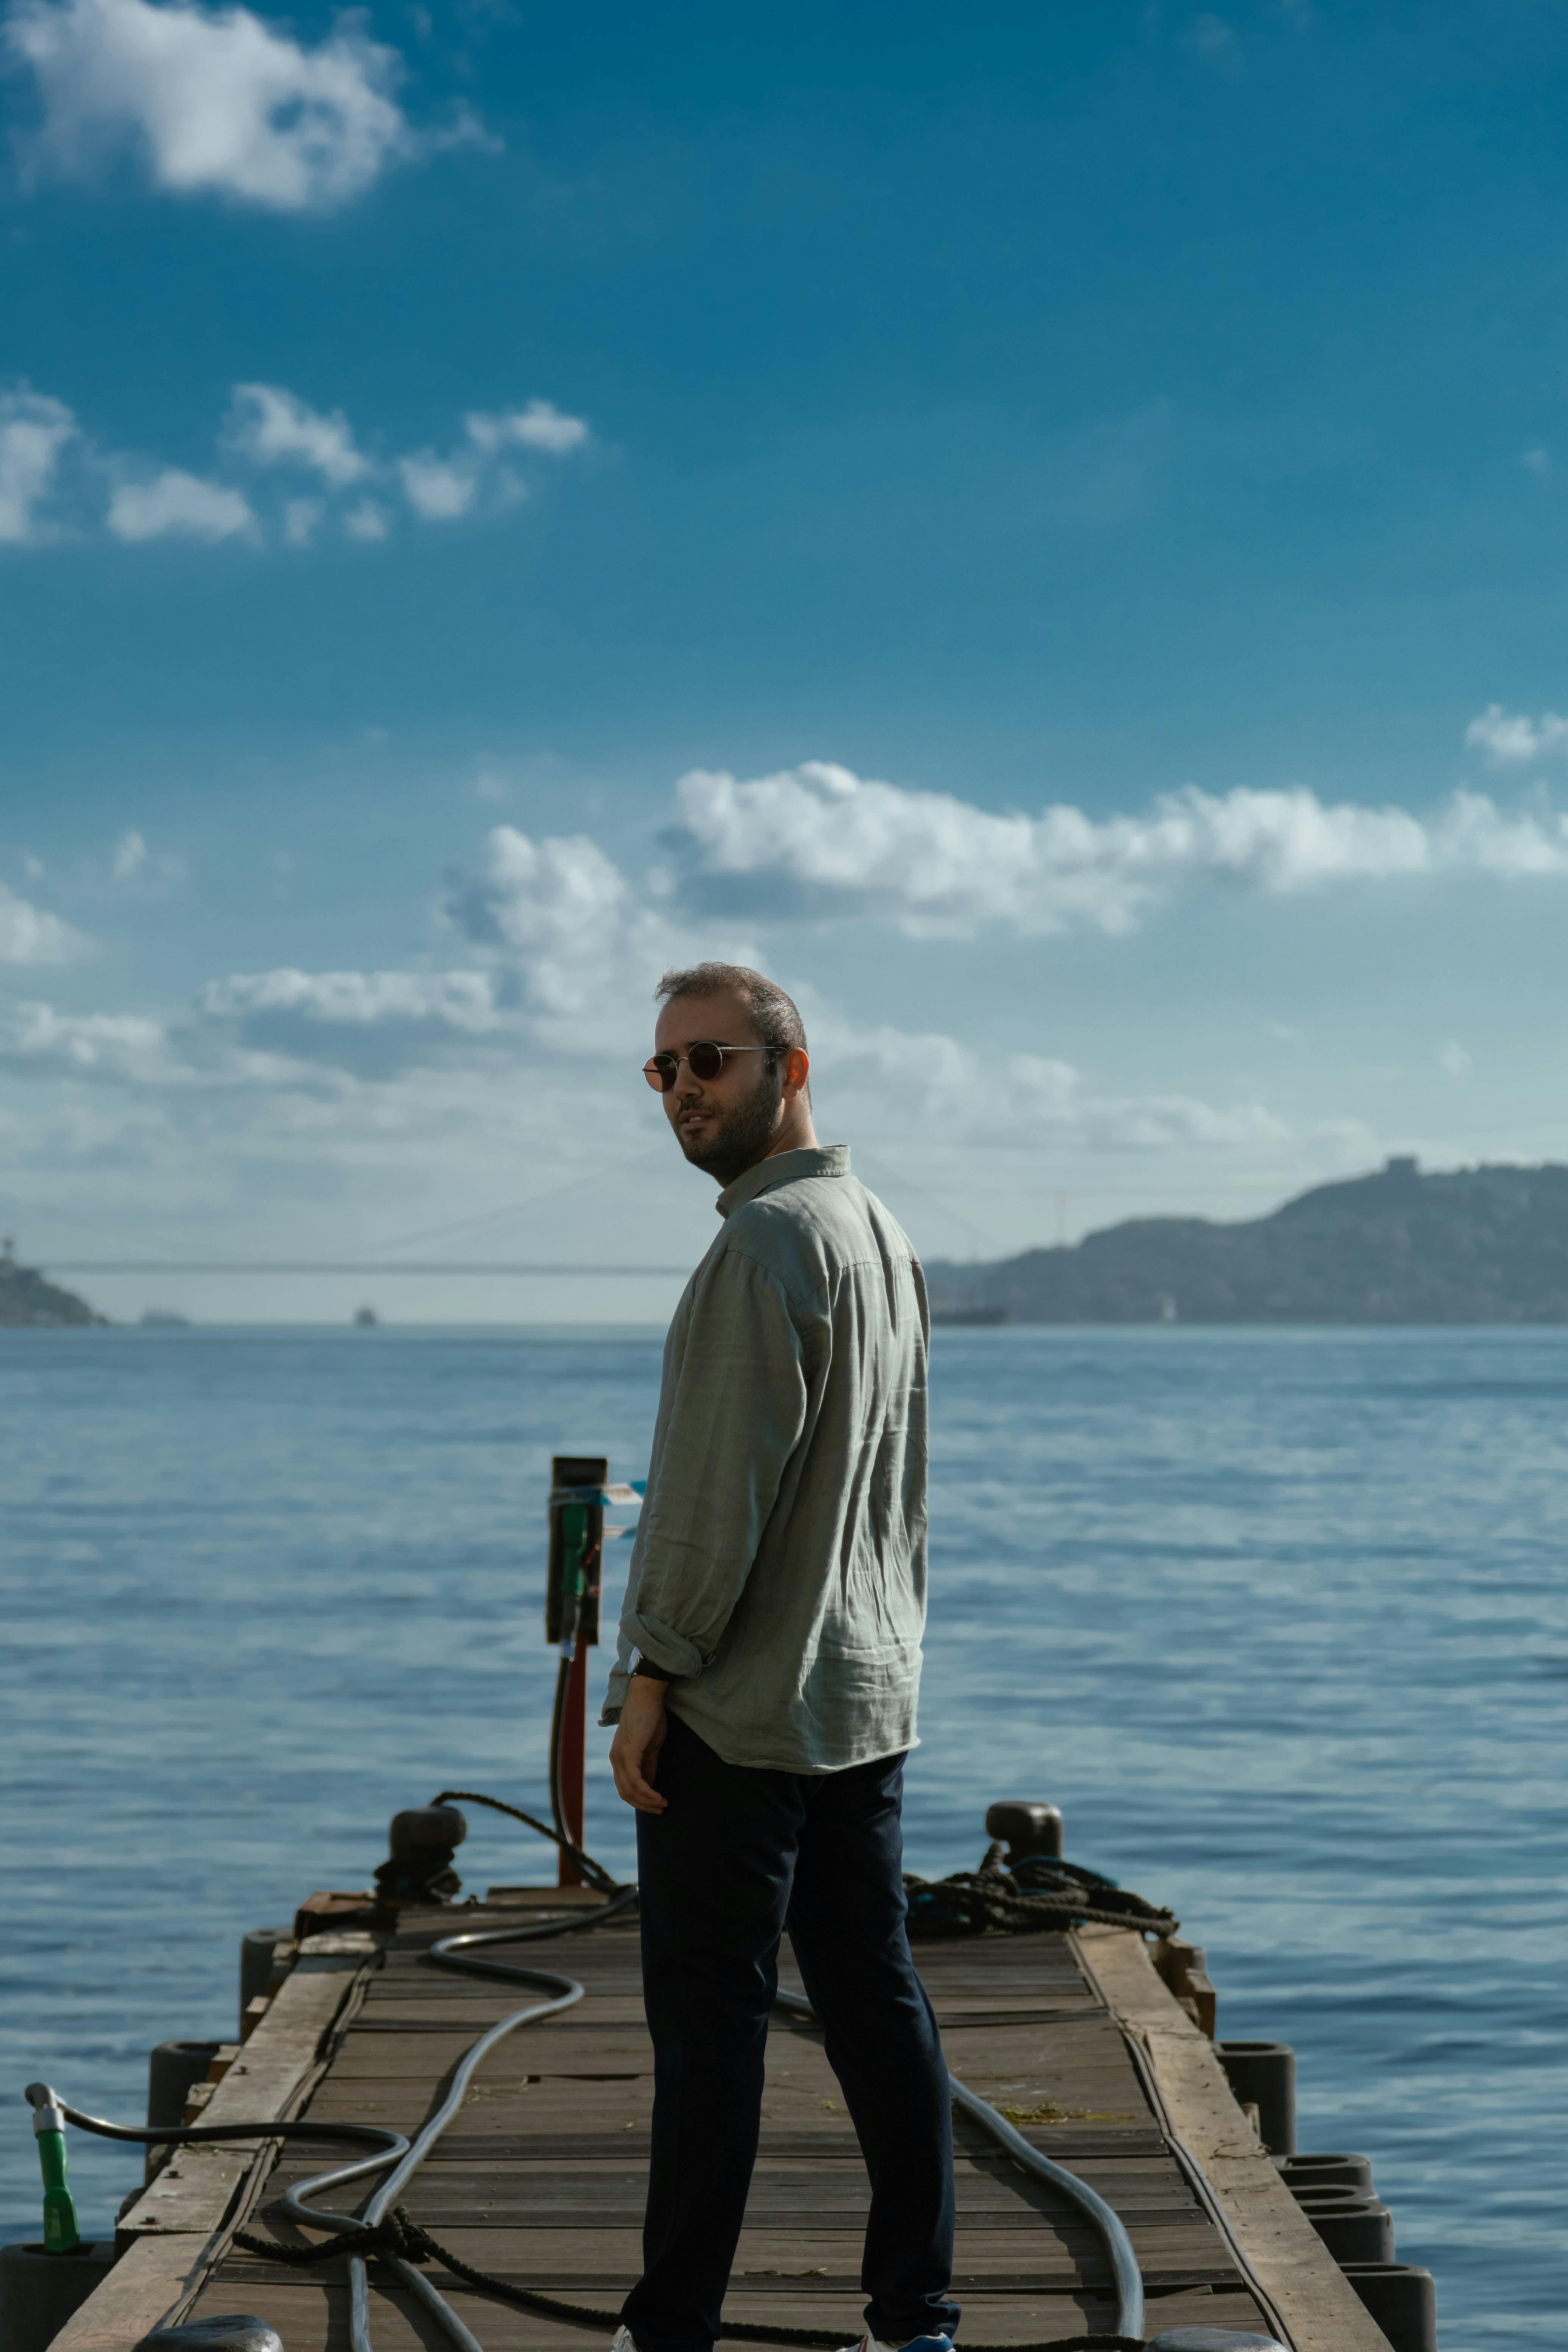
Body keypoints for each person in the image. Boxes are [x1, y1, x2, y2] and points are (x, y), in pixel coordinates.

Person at [601, 962, 957, 2352]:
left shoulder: (761, 1247)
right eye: (662, 1069)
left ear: (789, 1069)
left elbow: (706, 1501)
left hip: (744, 1710)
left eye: (712, 1061)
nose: (683, 1090)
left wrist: (649, 1678)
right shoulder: (875, 1227)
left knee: (709, 2028)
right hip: (864, 1693)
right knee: (876, 2000)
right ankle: (913, 2312)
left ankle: (672, 2324)